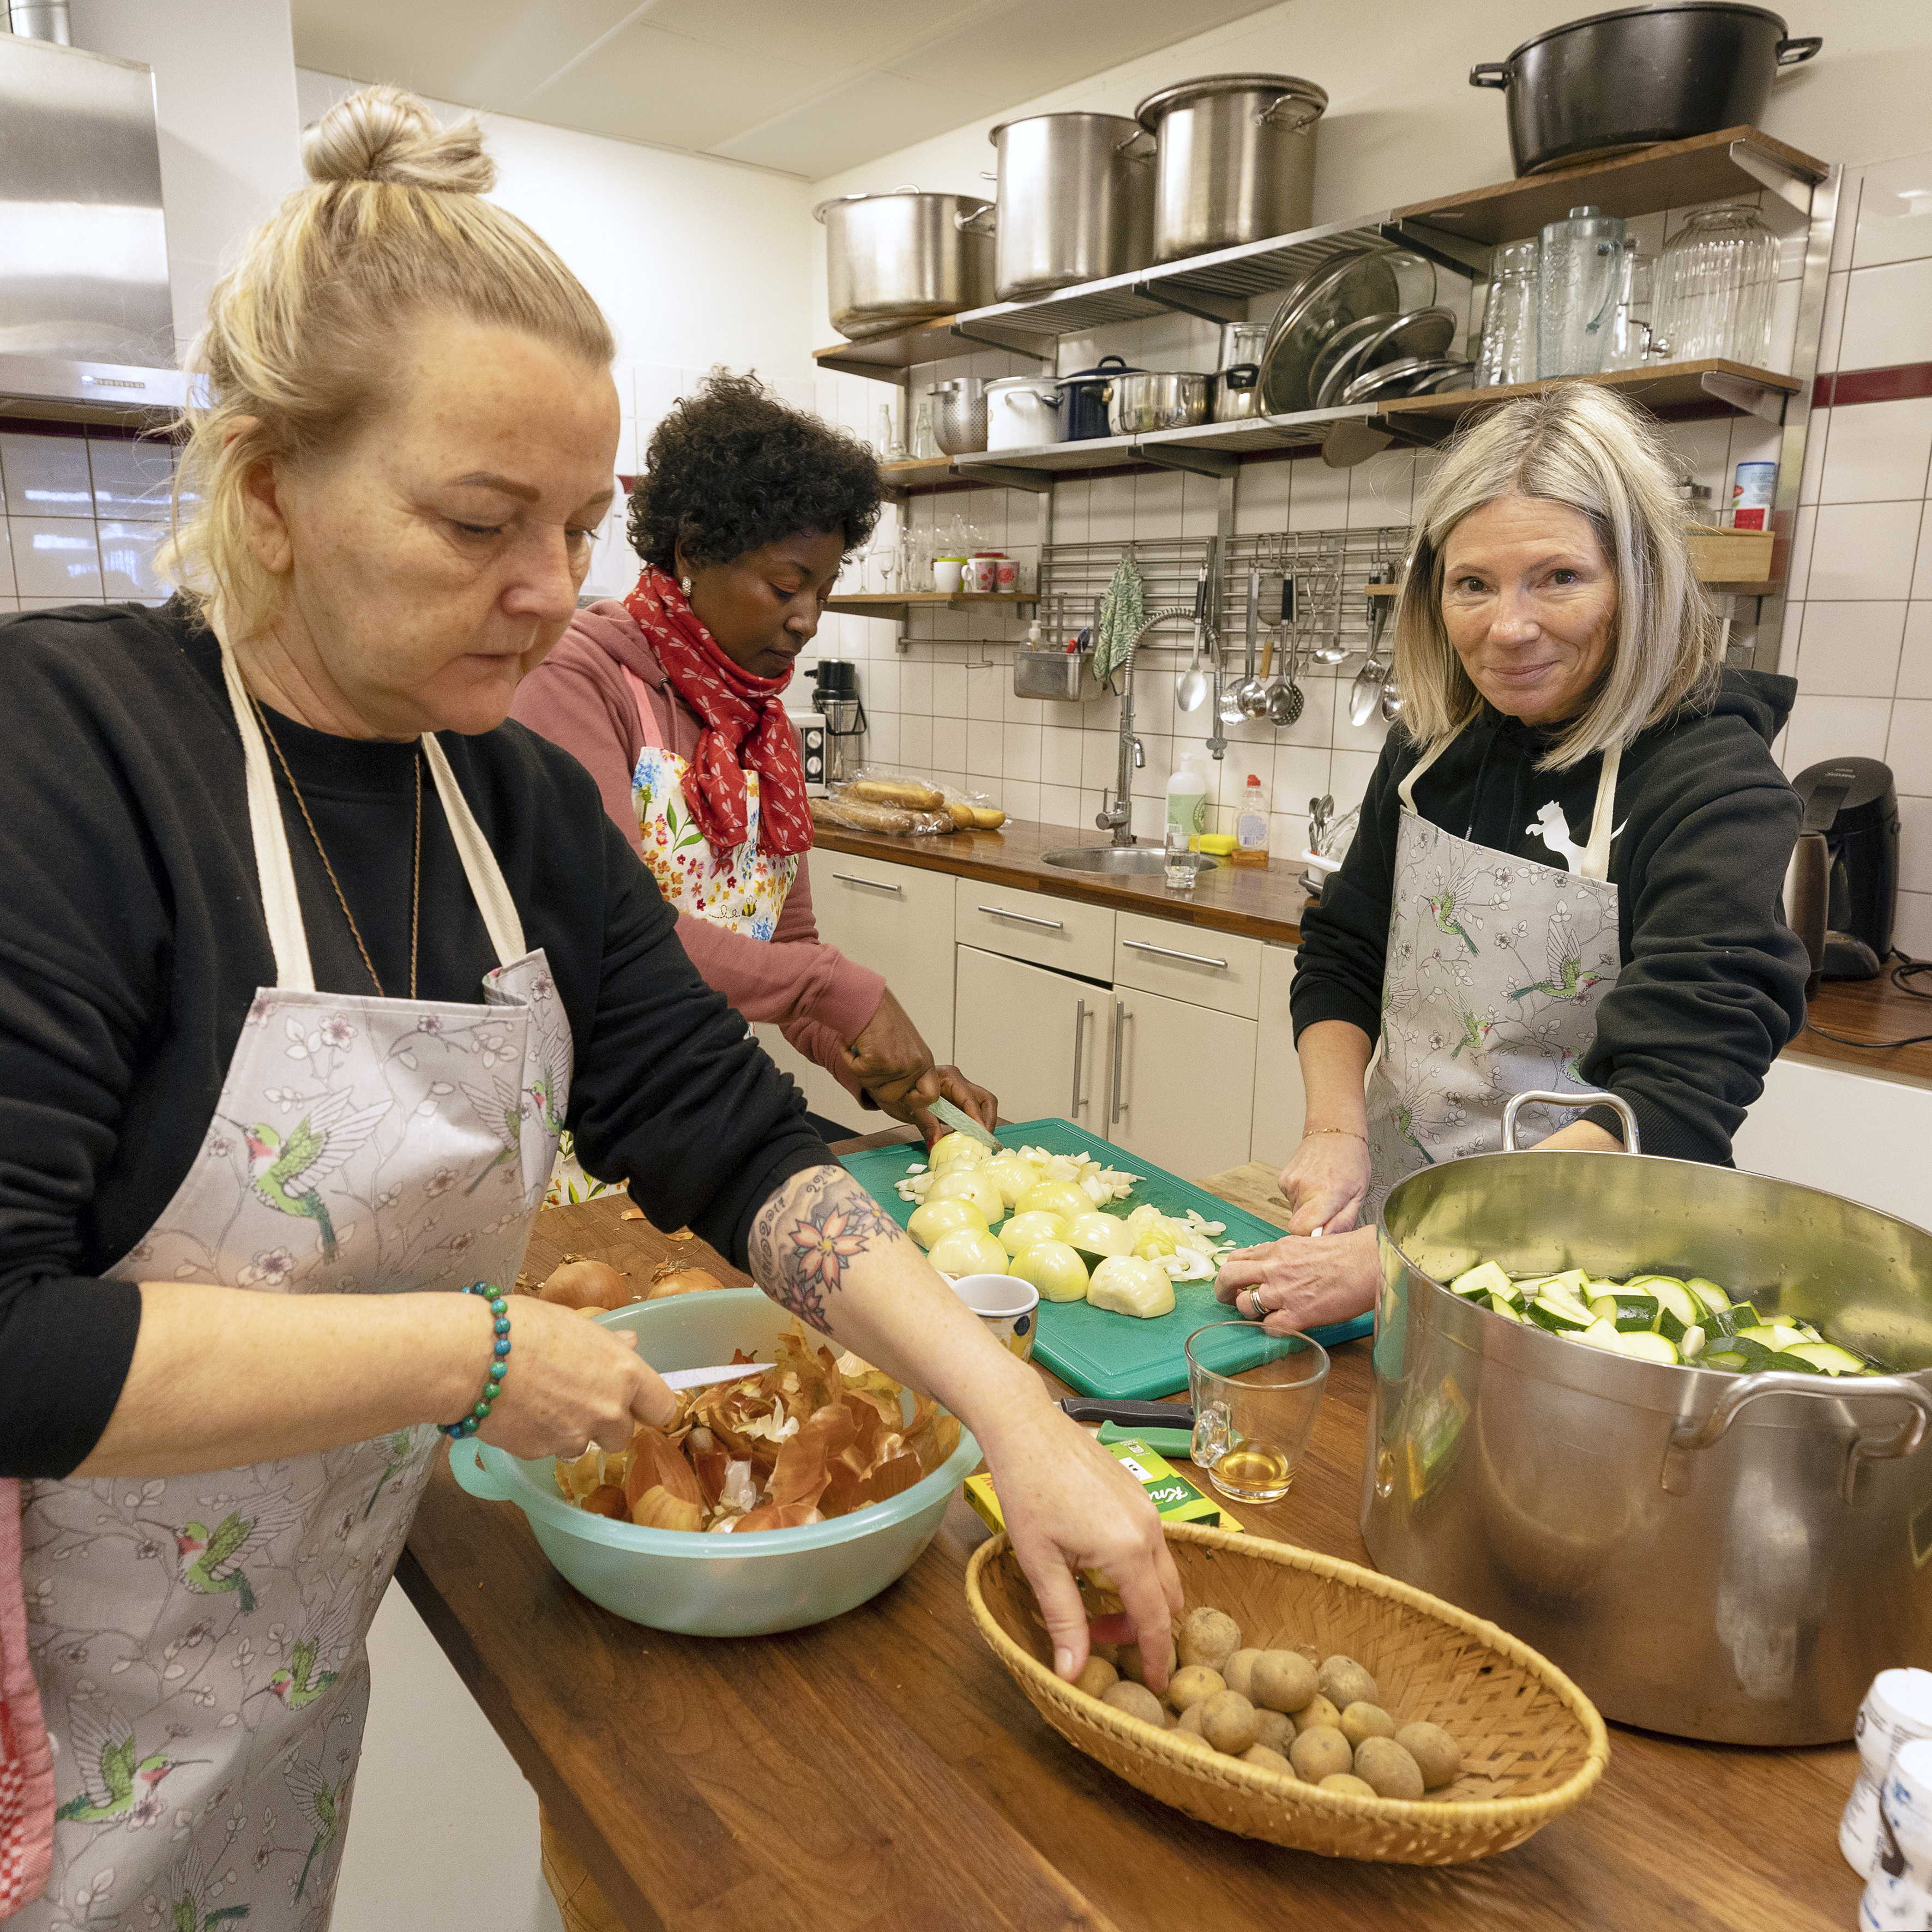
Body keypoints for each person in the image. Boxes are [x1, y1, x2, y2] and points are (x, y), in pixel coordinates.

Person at [0, 87, 1177, 1931]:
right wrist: (468, 1353)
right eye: (480, 524)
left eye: (573, 525)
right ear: (266, 494)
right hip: (35, 1694)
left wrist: (1014, 1413)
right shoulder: (64, 757)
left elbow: (726, 1129)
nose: (551, 598)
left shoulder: (515, 803)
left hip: (275, 1680)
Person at [1217, 384, 1810, 1334]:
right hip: (1388, 1225)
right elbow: (1345, 953)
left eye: (1560, 578)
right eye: (1473, 584)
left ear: (1639, 579)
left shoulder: (1715, 785)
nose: (1508, 628)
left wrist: (1412, 1252)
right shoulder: (1435, 745)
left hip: (1585, 1277)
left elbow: (1675, 1096)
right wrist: (1335, 1132)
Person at [510, 374, 995, 1157]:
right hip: (569, 1137)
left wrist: (897, 1080)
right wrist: (845, 990)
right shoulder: (579, 682)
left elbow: (787, 957)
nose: (806, 620)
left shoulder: (759, 727)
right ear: (692, 550)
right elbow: (614, 939)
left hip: (691, 1121)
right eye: (785, 586)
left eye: (824, 591)